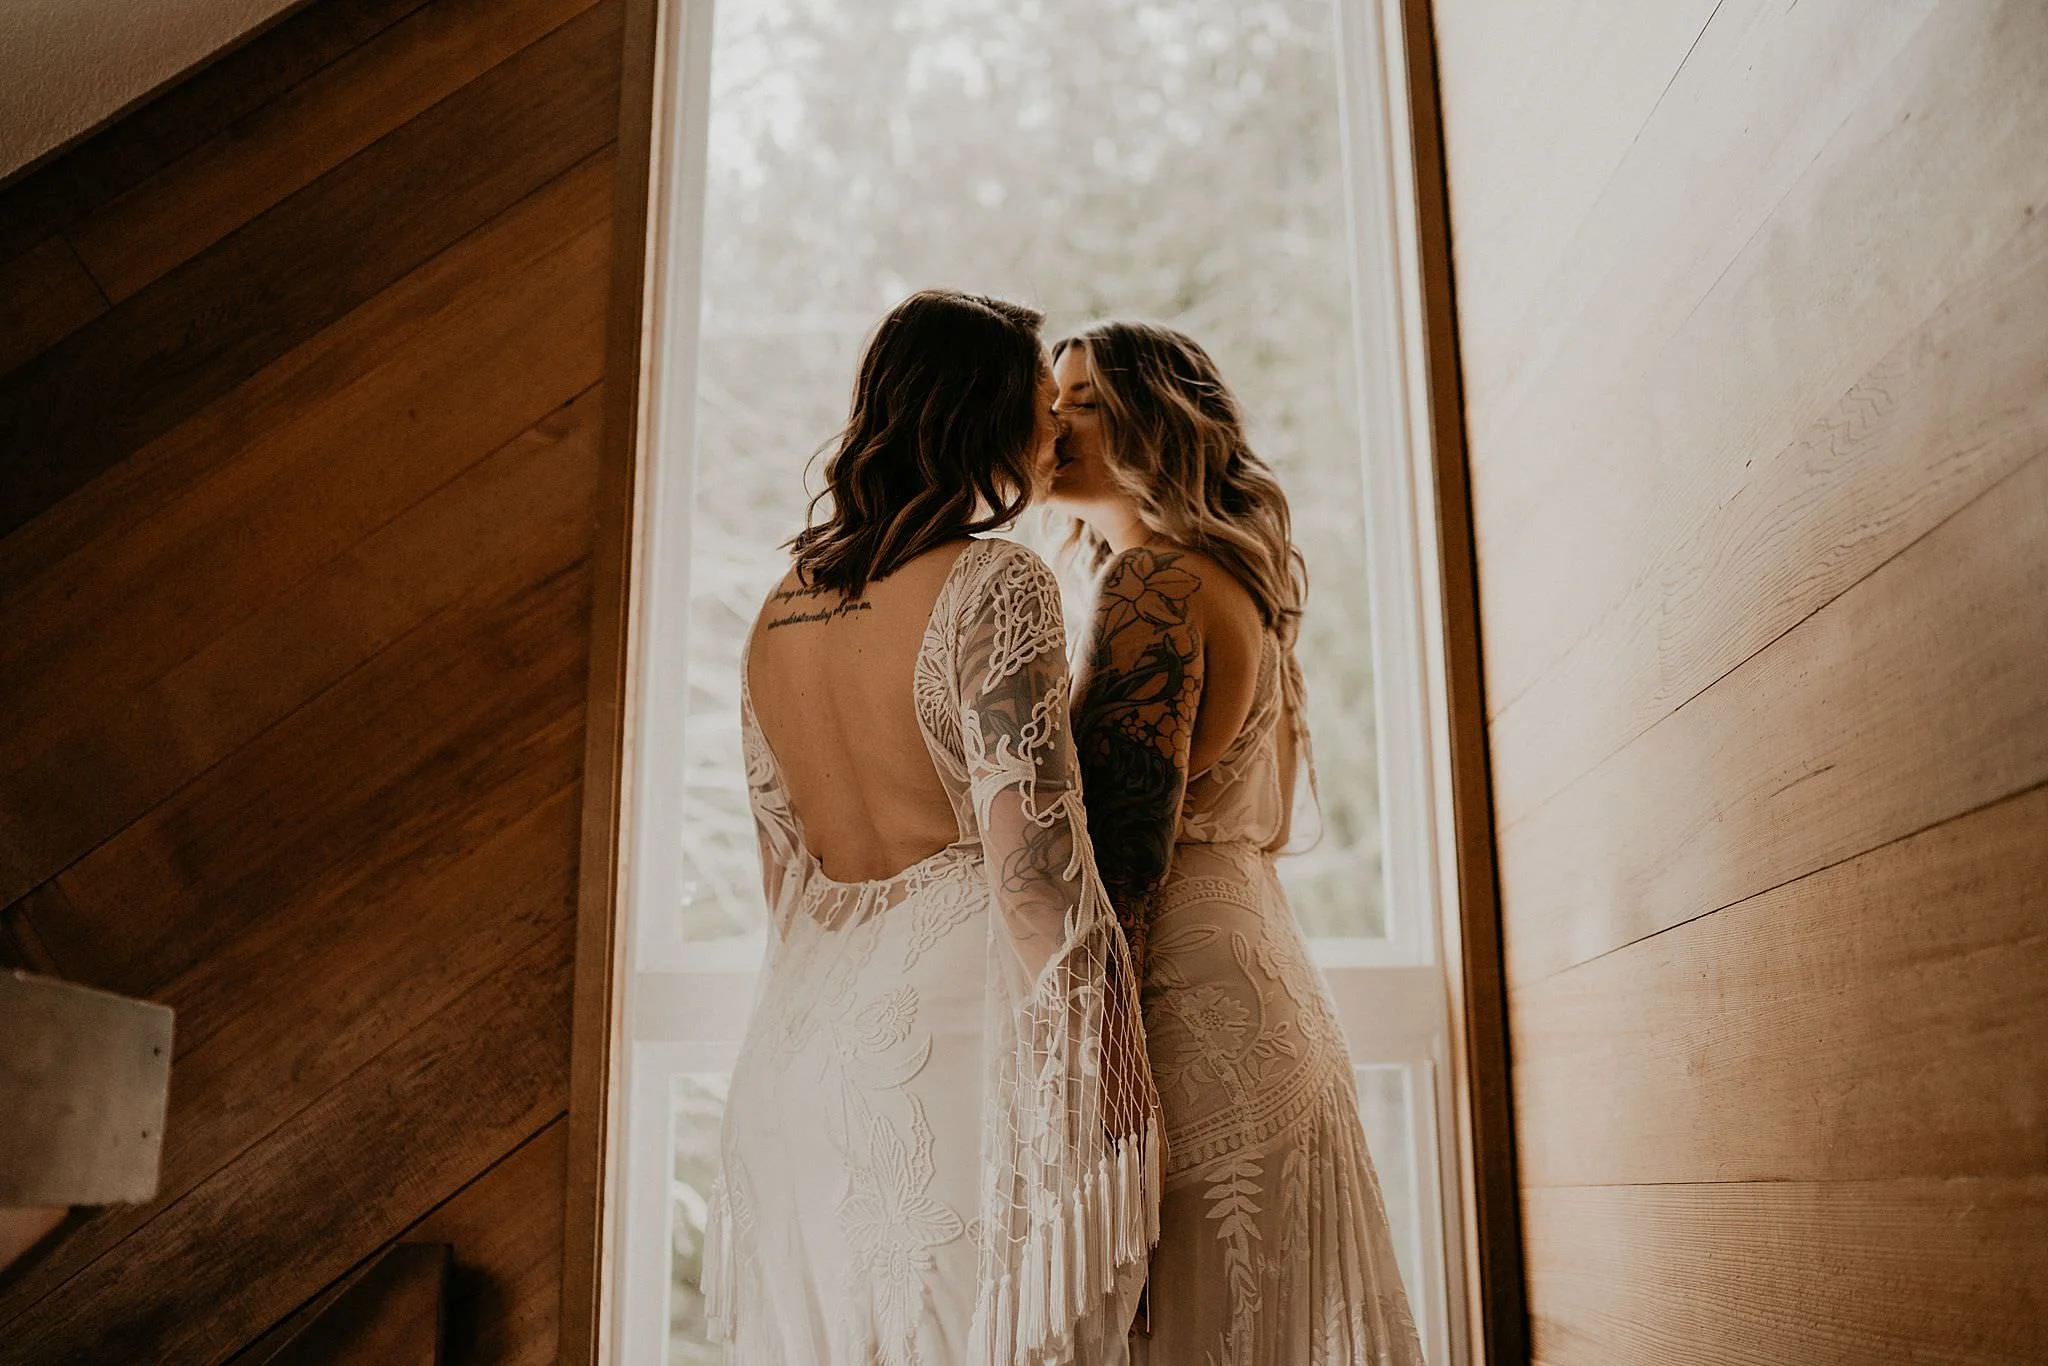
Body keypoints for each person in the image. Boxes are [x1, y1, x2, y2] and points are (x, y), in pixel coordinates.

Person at [702, 290, 1161, 1366]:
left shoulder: (778, 609)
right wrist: (1118, 1076)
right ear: (977, 413)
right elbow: (1032, 876)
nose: (1053, 428)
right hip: (950, 1048)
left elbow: (785, 878)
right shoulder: (995, 581)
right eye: (1037, 404)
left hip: (801, 1057)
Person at [1044, 320, 1424, 1364]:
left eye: (1084, 399)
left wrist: (1092, 1082)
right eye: (1052, 398)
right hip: (1261, 983)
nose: (1054, 420)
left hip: (1179, 1011)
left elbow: (1122, 862)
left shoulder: (1153, 586)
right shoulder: (1234, 583)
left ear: (1156, 421)